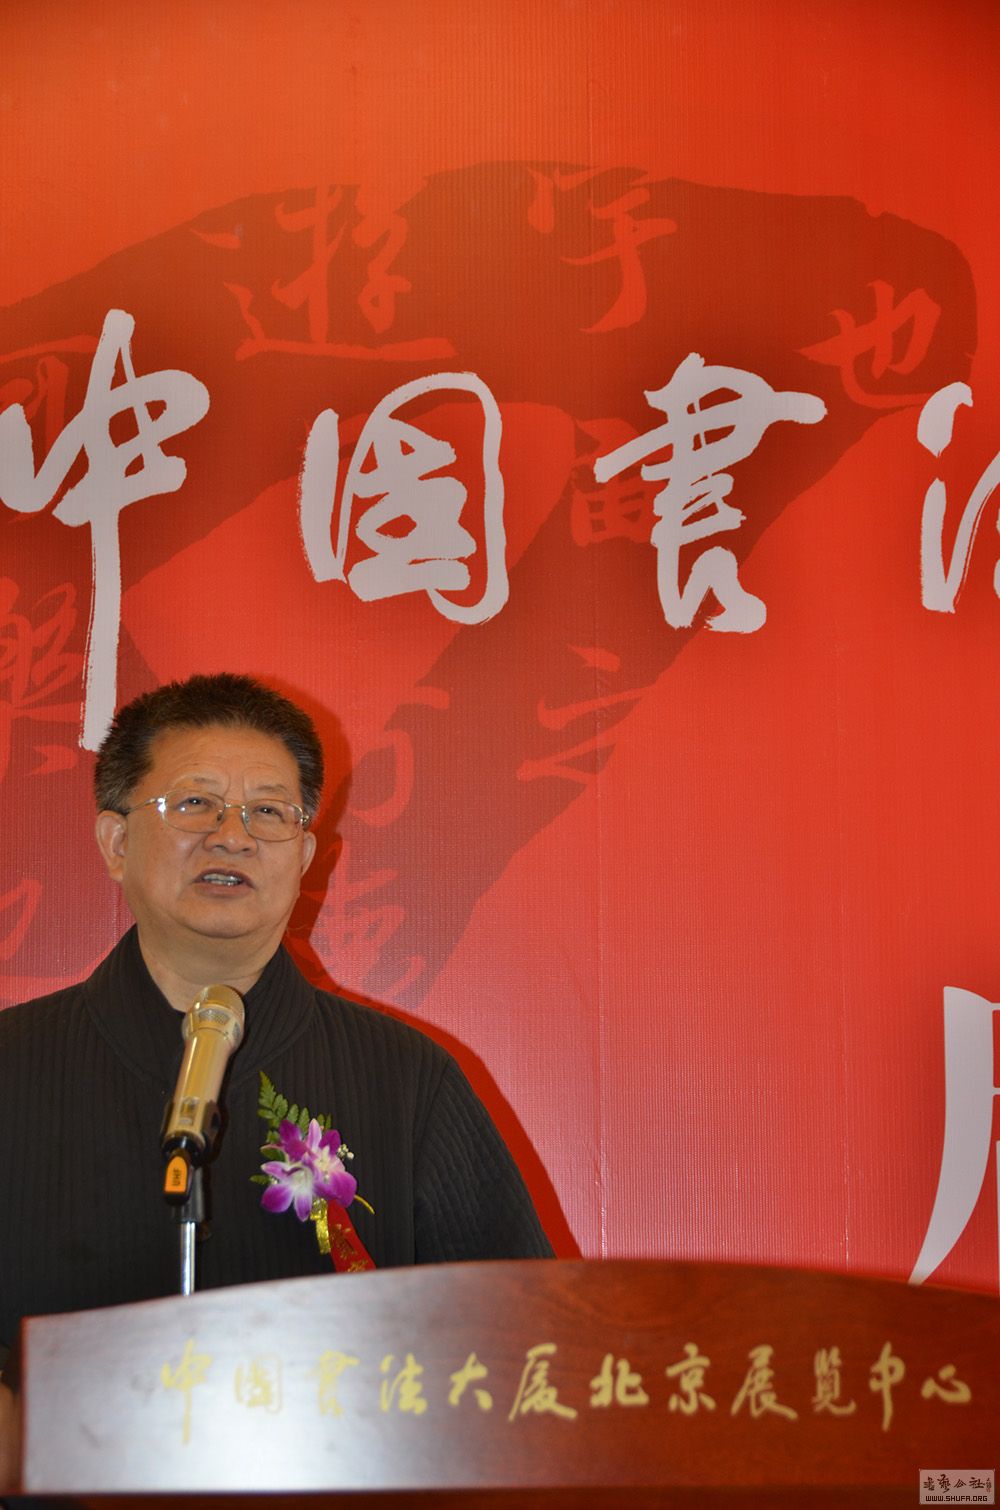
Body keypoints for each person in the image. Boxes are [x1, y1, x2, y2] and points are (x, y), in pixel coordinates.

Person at [0, 673, 551, 1489]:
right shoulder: (13, 1065)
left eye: (268, 812)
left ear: (304, 855)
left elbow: (523, 1347)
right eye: (195, 804)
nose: (232, 836)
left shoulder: (409, 1080)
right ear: (115, 842)